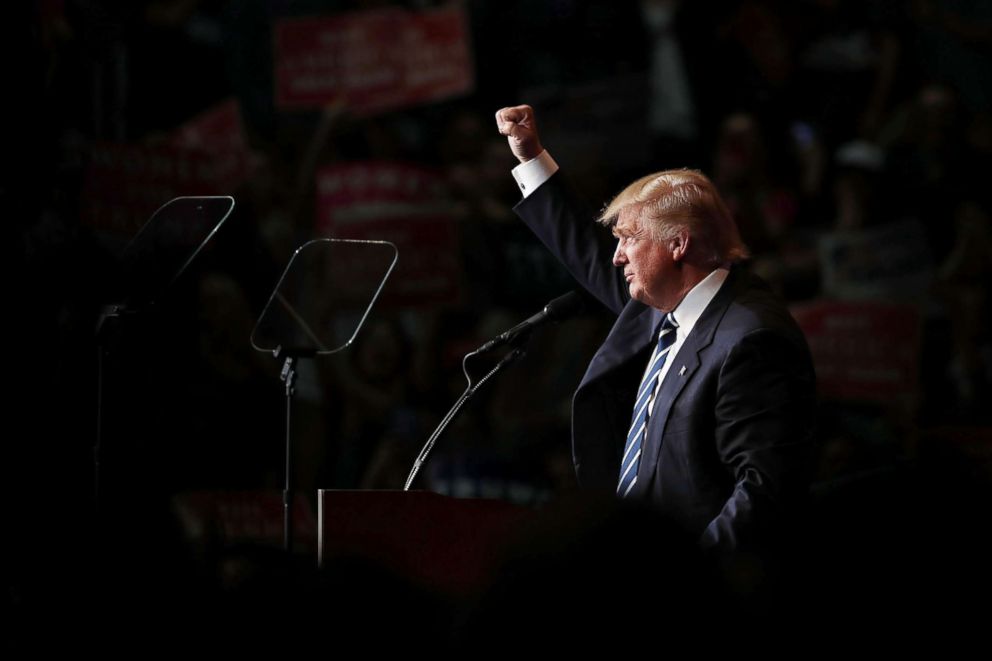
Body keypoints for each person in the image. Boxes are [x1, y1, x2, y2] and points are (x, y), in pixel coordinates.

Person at [494, 104, 817, 553]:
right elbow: (586, 251)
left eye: (628, 238)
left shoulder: (750, 338)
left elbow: (765, 487)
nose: (617, 256)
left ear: (678, 243)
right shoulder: (663, 305)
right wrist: (530, 156)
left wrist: (691, 580)